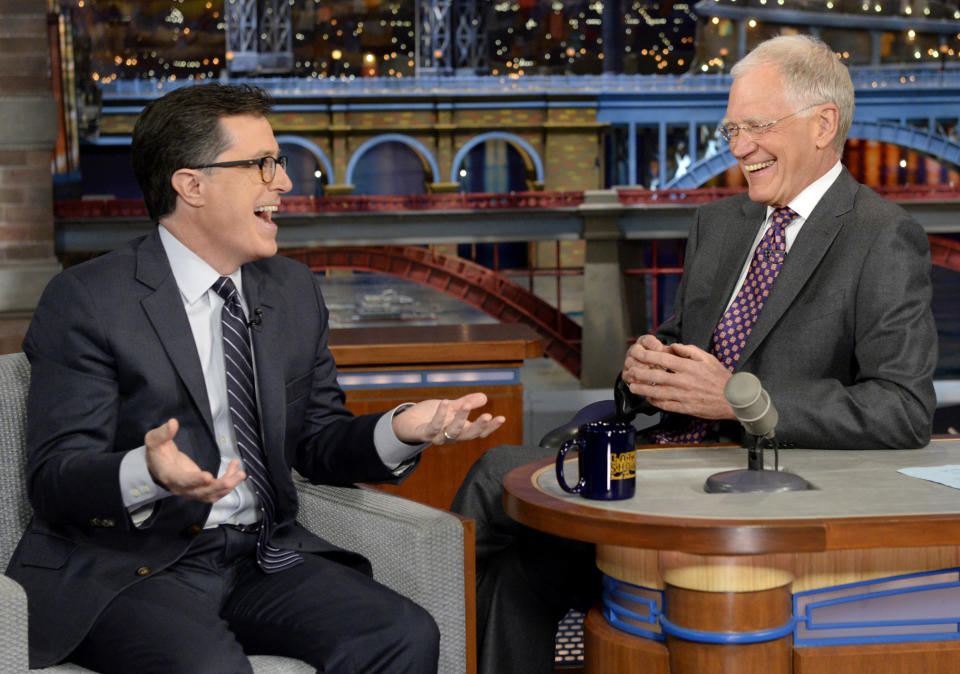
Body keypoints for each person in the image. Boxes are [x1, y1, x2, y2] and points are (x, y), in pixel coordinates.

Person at [451, 33, 937, 674]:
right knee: (518, 569)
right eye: (732, 128)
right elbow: (686, 346)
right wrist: (647, 367)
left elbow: (902, 410)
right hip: (666, 456)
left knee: (496, 472)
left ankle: (409, 631)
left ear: (823, 124)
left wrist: (739, 398)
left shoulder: (882, 236)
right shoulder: (721, 224)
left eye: (757, 126)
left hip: (761, 486)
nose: (738, 148)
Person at [7, 82, 504, 673]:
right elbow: (55, 478)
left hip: (258, 556)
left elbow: (319, 443)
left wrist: (403, 431)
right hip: (129, 565)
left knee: (401, 633)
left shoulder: (292, 291)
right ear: (191, 184)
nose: (285, 183)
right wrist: (147, 472)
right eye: (262, 165)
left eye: (280, 162)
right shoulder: (88, 299)